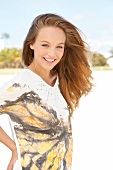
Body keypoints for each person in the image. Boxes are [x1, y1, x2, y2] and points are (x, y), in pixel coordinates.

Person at [0, 13, 93, 170]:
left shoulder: (60, 81)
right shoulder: (18, 86)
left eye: (59, 47)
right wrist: (13, 147)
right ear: (32, 44)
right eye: (45, 45)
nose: (52, 53)